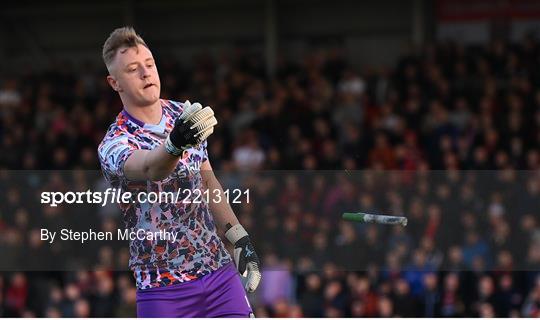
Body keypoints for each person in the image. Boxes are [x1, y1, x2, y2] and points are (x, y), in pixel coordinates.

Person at [97, 26, 261, 317]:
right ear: (115, 83)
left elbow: (208, 182)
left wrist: (240, 239)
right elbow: (150, 167)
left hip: (218, 273)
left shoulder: (183, 116)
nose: (146, 73)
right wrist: (174, 144)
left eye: (149, 65)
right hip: (162, 289)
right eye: (133, 69)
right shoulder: (115, 142)